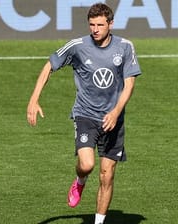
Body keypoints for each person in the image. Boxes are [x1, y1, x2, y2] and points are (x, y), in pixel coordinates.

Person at [27, 3, 141, 224]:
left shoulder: (125, 47)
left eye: (100, 24)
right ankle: (80, 179)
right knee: (87, 164)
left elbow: (129, 84)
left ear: (111, 24)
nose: (95, 29)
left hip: (113, 119)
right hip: (86, 114)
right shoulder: (77, 46)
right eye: (91, 25)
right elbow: (49, 65)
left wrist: (116, 111)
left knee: (107, 175)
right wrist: (34, 99)